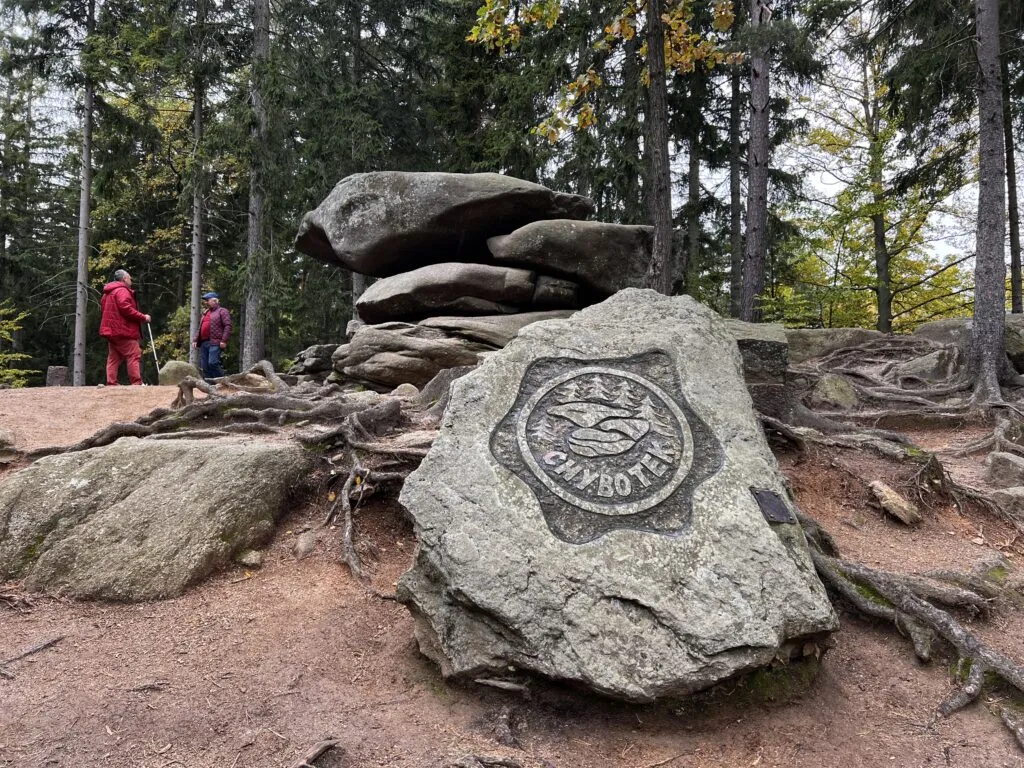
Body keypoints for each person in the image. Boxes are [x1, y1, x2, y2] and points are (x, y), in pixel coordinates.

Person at [99, 269, 151, 386]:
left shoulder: (107, 293)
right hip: (122, 330)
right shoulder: (122, 291)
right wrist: (143, 317)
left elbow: (103, 309)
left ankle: (111, 383)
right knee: (134, 353)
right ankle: (136, 383)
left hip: (110, 330)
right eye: (129, 278)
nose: (131, 280)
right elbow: (126, 308)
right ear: (124, 279)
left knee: (114, 356)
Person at [193, 291, 232, 380]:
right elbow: (200, 328)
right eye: (206, 300)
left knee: (213, 363)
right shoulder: (205, 313)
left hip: (215, 342)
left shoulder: (222, 311)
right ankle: (209, 386)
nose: (206, 302)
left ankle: (223, 382)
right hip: (204, 343)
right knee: (205, 366)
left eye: (208, 300)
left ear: (215, 301)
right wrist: (195, 339)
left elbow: (228, 326)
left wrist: (224, 340)